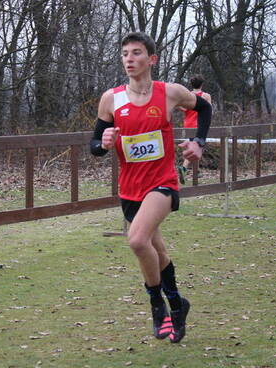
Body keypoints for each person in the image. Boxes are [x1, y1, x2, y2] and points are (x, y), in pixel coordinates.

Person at [89, 32, 212, 343]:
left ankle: (158, 307)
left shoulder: (169, 92)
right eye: (125, 54)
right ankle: (178, 304)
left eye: (136, 53)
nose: (129, 59)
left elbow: (205, 107)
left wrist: (199, 142)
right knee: (156, 251)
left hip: (162, 184)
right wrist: (103, 144)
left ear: (151, 59)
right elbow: (95, 145)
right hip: (130, 189)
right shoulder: (111, 99)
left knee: (137, 240)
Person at [178, 75, 212, 184]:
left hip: (188, 125)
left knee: (195, 147)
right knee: (197, 147)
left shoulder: (188, 96)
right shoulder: (206, 96)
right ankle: (184, 168)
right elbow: (208, 110)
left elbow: (182, 108)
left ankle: (195, 171)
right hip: (199, 126)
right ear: (202, 84)